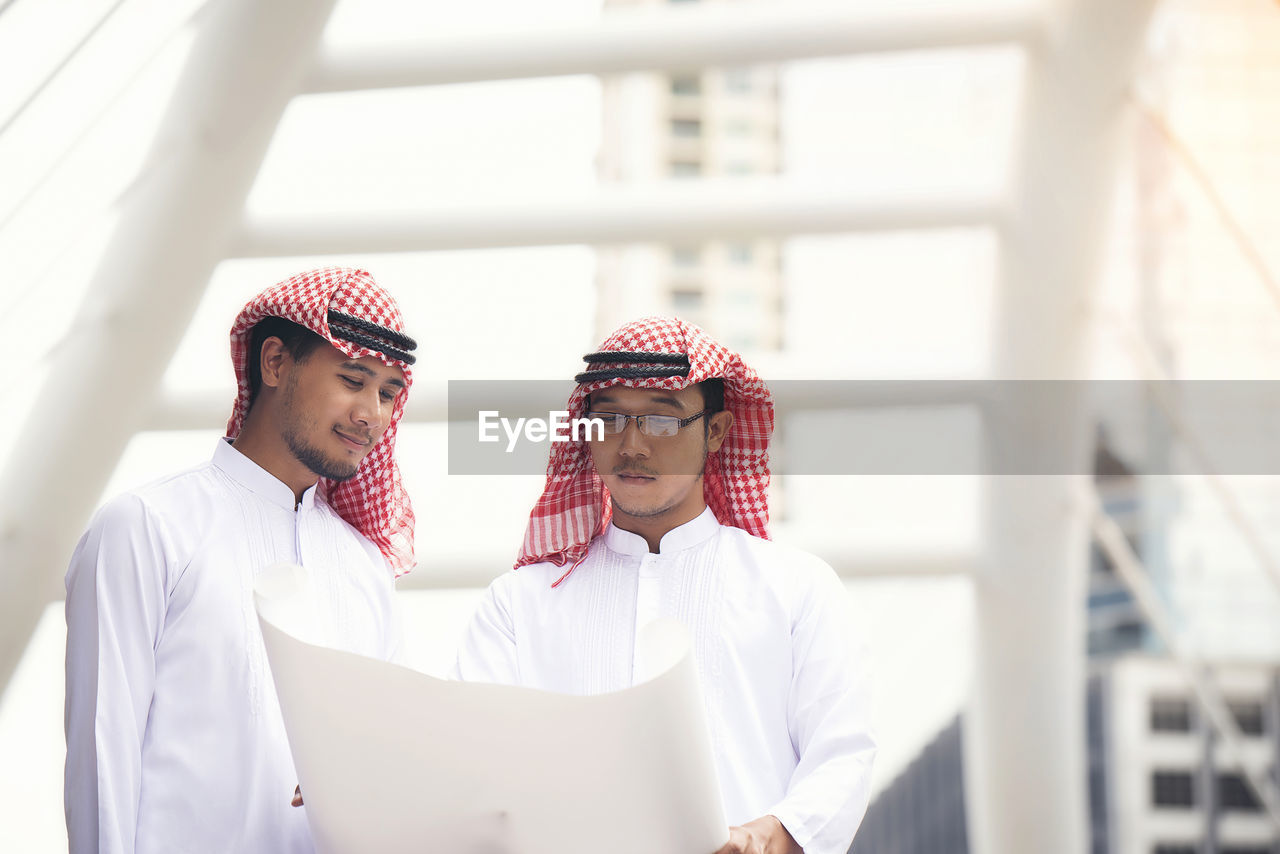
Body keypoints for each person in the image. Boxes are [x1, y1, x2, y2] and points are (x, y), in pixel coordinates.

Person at [454, 317, 876, 854]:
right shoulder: (517, 606)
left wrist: (766, 837)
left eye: (660, 421)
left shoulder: (797, 589)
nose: (631, 445)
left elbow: (842, 756)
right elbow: (472, 765)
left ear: (717, 432)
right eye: (609, 420)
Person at [64, 267, 419, 854]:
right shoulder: (147, 527)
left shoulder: (365, 568)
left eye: (387, 393)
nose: (371, 415)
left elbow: (391, 770)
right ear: (275, 362)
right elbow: (102, 763)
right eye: (353, 380)